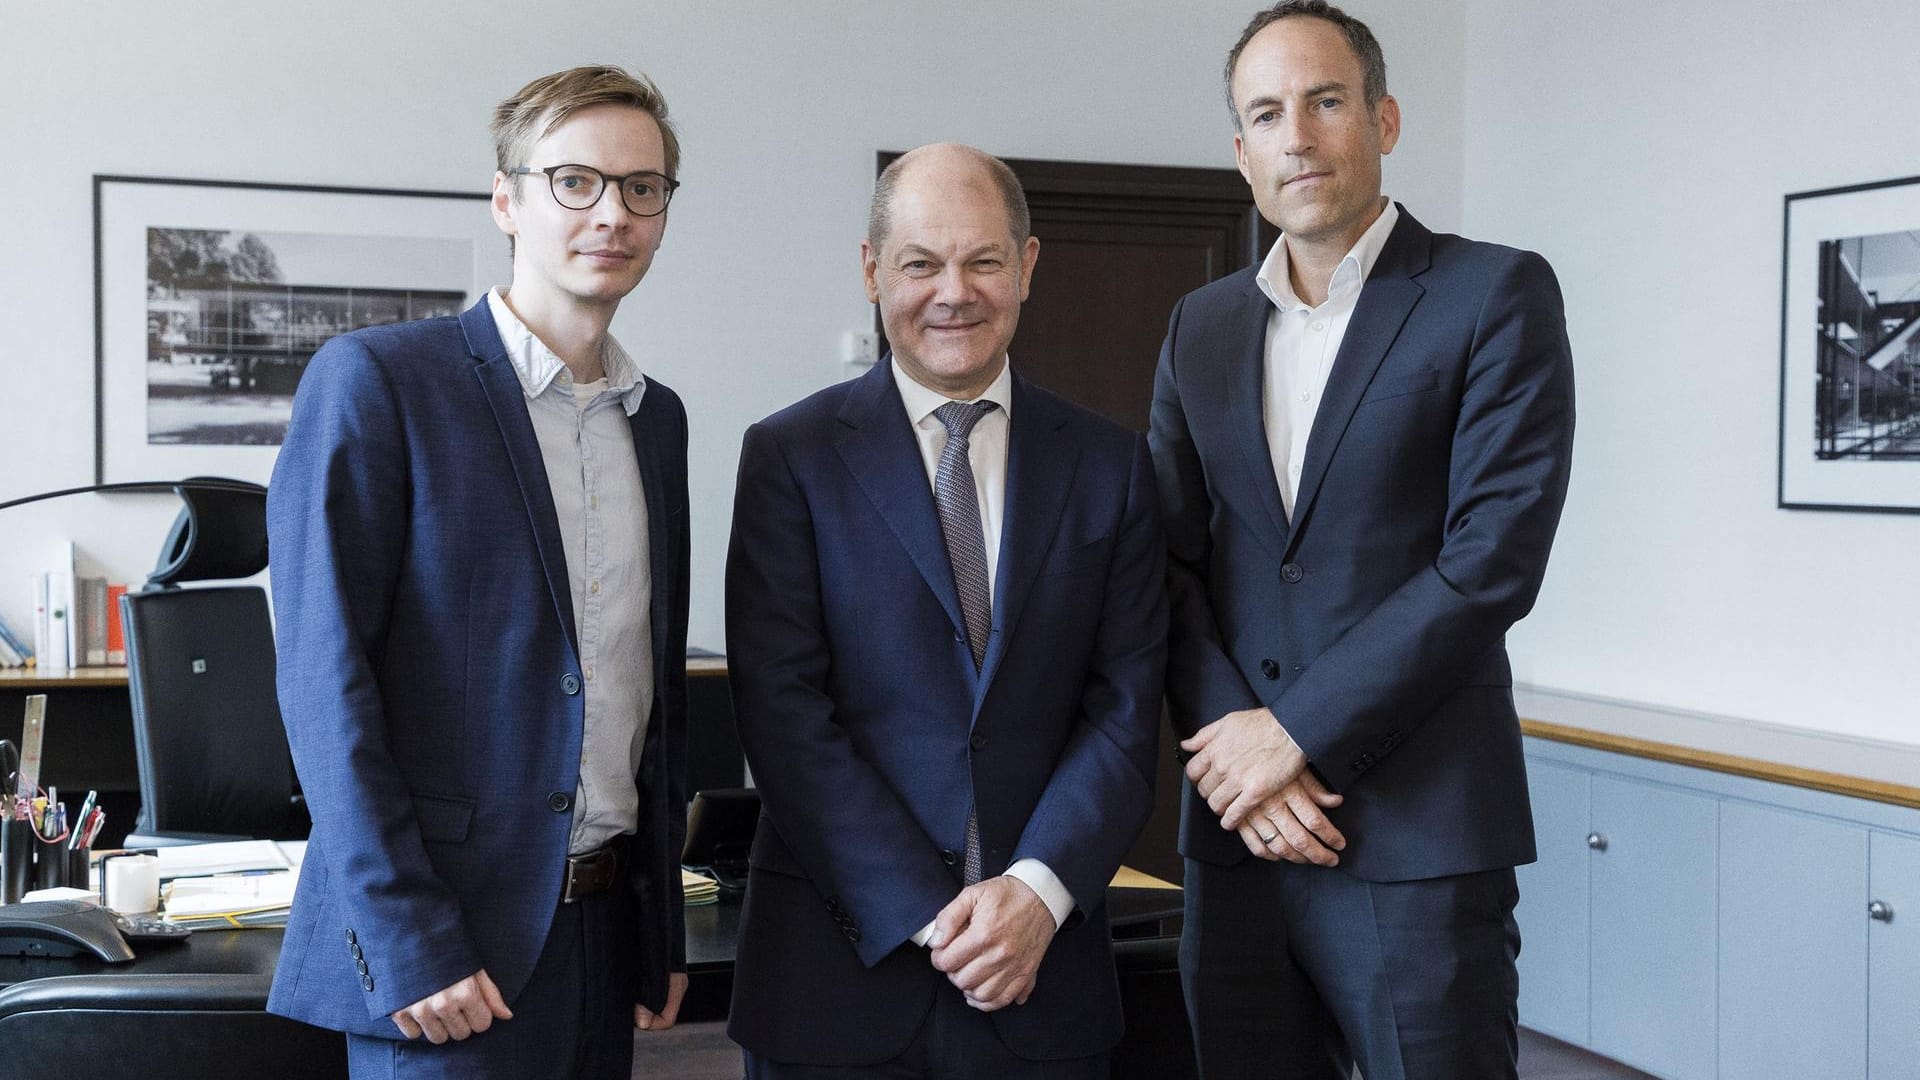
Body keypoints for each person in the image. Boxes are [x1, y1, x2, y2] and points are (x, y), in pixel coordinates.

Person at [1148, 3, 1576, 1076]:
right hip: (1238, 841)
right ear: (1240, 152)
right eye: (1267, 112)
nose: (1298, 134)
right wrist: (1239, 758)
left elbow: (1492, 560)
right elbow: (1167, 563)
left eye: (1326, 101)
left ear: (1382, 119)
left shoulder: (1493, 293)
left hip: (1420, 839)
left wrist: (1292, 735)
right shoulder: (1199, 328)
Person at [266, 65, 693, 1079]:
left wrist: (658, 925)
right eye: (574, 181)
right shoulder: (379, 383)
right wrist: (407, 938)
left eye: (643, 188)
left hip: (602, 937)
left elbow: (648, 690)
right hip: (449, 960)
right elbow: (323, 682)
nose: (612, 213)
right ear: (507, 198)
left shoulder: (658, 418)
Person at [724, 143, 1167, 1078]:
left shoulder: (1111, 467)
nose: (953, 292)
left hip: (1042, 976)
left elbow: (1124, 712)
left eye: (984, 261)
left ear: (1029, 266)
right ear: (873, 269)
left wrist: (1035, 895)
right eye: (921, 262)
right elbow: (784, 716)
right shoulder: (790, 458)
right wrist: (936, 914)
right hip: (838, 971)